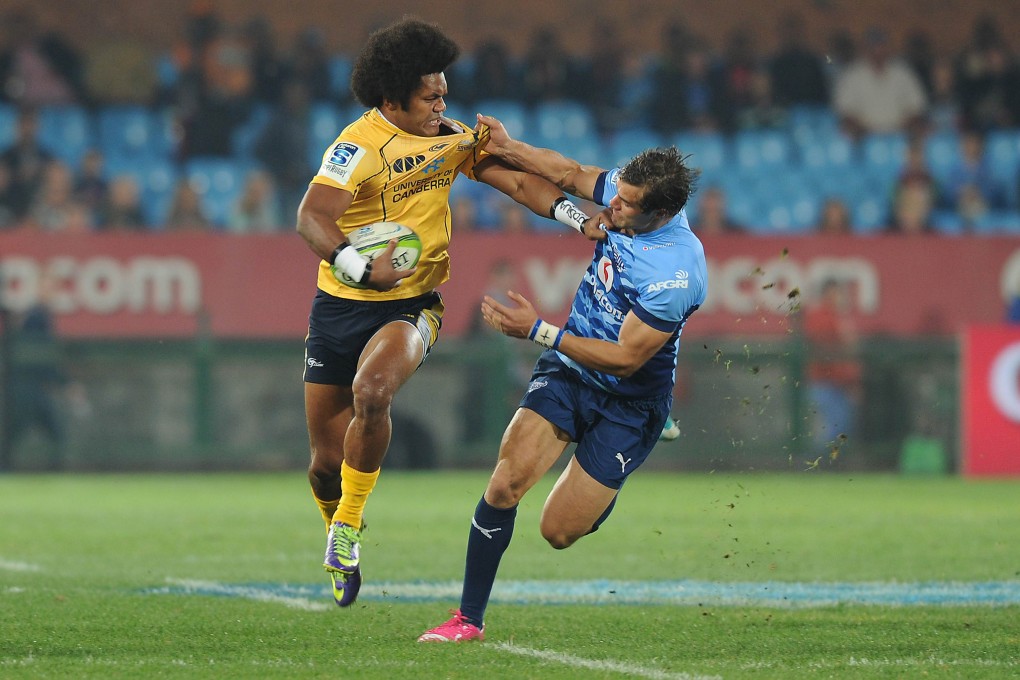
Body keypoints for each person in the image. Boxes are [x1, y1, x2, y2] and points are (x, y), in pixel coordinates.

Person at [296, 18, 599, 609]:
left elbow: (516, 182)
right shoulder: (356, 147)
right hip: (341, 304)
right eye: (431, 95)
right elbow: (311, 217)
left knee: (375, 389)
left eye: (444, 93)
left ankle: (348, 530)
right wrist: (357, 267)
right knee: (323, 468)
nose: (443, 104)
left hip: (412, 304)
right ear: (392, 98)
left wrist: (577, 218)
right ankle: (336, 519)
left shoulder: (451, 138)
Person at [419, 114, 706, 642]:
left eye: (625, 204)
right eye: (616, 195)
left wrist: (539, 332)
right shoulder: (630, 197)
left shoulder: (675, 273)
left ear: (661, 214)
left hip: (629, 402)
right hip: (570, 373)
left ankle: (622, 461)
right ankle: (468, 619)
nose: (612, 206)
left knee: (557, 532)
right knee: (505, 483)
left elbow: (624, 359)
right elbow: (569, 173)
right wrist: (508, 147)